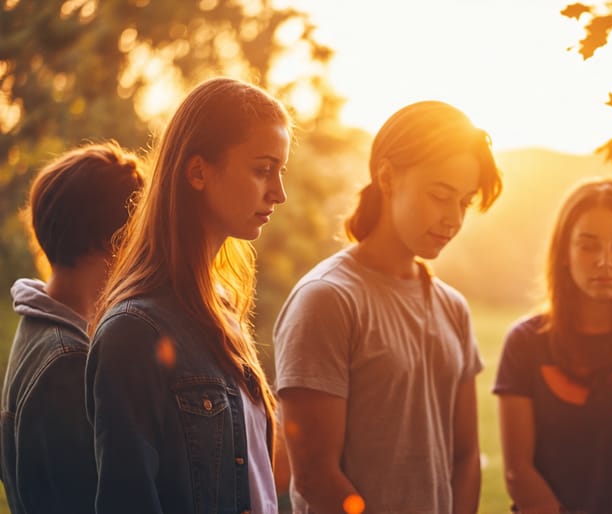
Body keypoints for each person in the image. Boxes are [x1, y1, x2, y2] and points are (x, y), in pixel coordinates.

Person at [274, 100, 502, 514]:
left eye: (464, 202)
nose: (453, 219)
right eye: (440, 195)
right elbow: (314, 474)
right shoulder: (327, 300)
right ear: (387, 176)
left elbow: (466, 457)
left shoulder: (453, 308)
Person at [85, 77, 291, 514]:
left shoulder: (223, 307)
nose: (279, 192)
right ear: (197, 171)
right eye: (262, 169)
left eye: (281, 171)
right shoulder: (133, 331)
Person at [493, 178, 612, 514]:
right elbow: (518, 470)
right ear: (564, 254)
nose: (605, 260)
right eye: (588, 246)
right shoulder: (525, 343)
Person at [0, 141, 144, 514]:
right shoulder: (69, 361)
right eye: (140, 229)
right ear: (111, 239)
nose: (146, 247)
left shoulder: (38, 332)